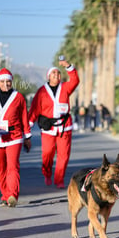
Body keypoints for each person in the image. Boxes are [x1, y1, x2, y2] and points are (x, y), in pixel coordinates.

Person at [0, 68, 32, 207]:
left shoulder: (19, 97)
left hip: (14, 136)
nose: (6, 84)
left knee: (13, 166)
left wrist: (27, 137)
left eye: (8, 81)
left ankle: (12, 195)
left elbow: (24, 118)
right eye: (2, 81)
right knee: (1, 168)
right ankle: (5, 195)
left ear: (11, 81)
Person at [28, 58, 79, 189]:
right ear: (48, 76)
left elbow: (75, 81)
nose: (56, 75)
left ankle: (59, 179)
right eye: (53, 73)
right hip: (48, 128)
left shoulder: (66, 88)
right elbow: (34, 109)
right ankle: (47, 173)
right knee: (47, 153)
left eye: (58, 73)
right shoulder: (42, 91)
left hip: (64, 127)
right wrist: (28, 125)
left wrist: (68, 66)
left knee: (64, 155)